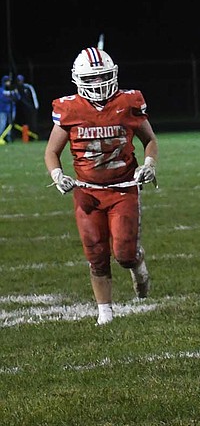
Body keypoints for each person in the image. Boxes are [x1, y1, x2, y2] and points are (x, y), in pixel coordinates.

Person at [43, 48, 158, 325]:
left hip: (122, 187)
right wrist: (57, 175)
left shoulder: (128, 102)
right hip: (87, 190)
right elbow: (51, 151)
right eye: (91, 79)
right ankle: (105, 312)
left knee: (124, 253)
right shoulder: (69, 108)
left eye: (103, 77)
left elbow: (149, 140)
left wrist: (150, 163)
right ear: (78, 79)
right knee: (96, 252)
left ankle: (136, 263)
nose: (98, 84)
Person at [1, 74, 20, 143]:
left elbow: (18, 98)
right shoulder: (1, 90)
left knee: (10, 124)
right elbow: (2, 99)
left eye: (9, 81)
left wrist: (15, 92)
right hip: (3, 110)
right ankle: (1, 137)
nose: (8, 83)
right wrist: (10, 99)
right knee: (2, 124)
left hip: (12, 110)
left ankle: (9, 138)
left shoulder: (13, 89)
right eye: (7, 81)